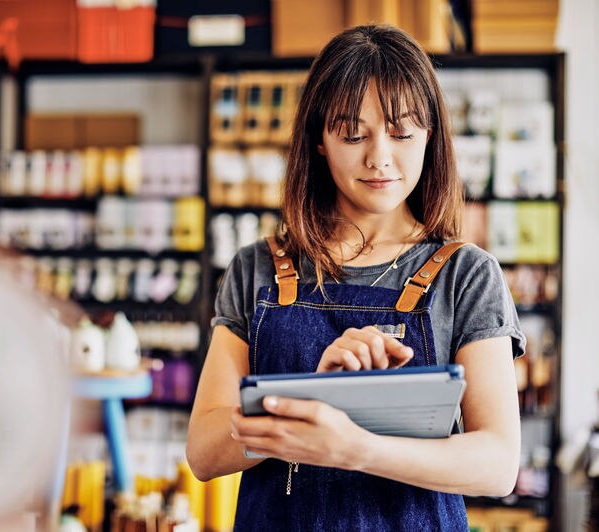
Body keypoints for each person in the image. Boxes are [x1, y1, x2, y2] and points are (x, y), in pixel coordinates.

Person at [186, 24, 525, 531]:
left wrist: (356, 447)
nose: (380, 157)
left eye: (402, 131)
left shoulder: (467, 274)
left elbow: (497, 464)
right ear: (319, 140)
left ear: (430, 134)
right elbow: (205, 453)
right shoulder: (257, 267)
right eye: (352, 134)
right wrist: (309, 399)